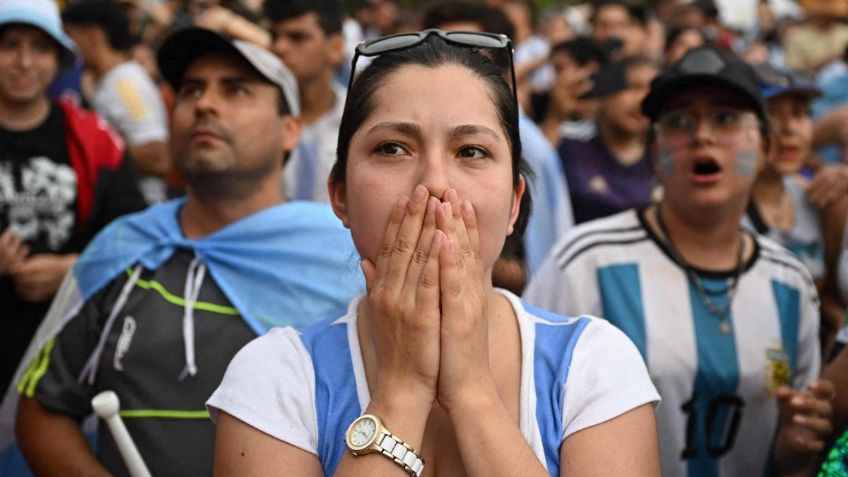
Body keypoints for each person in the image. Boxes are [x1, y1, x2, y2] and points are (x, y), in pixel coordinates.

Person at [209, 30, 661, 476]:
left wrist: (472, 392)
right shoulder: (276, 375)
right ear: (340, 195)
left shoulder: (593, 365)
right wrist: (401, 389)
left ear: (514, 203)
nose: (435, 183)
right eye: (392, 148)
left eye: (472, 151)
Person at [12, 27, 363, 476]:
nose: (204, 104)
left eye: (235, 90)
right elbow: (42, 412)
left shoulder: (348, 256)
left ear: (289, 129)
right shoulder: (122, 251)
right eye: (191, 90)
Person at [524, 46, 834, 476]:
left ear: (764, 145)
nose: (702, 136)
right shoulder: (585, 264)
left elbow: (788, 445)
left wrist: (795, 449)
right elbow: (529, 416)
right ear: (654, 151)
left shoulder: (791, 284)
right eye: (679, 122)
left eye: (726, 118)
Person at [0, 0, 145, 409]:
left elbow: (134, 238)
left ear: (59, 59)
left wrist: (73, 270)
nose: (25, 62)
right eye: (10, 45)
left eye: (40, 48)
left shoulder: (97, 140)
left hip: (66, 361)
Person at [748, 64, 848, 356]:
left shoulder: (820, 199)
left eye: (800, 114)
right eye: (771, 114)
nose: (789, 128)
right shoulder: (716, 210)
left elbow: (832, 301)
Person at [62, 0, 171, 204]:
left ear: (92, 36)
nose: (64, 45)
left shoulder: (126, 85)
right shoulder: (111, 82)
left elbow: (157, 157)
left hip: (140, 208)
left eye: (69, 34)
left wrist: (92, 147)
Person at [558, 56, 659, 224]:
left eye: (651, 92)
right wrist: (554, 117)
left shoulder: (664, 162)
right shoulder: (571, 149)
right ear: (606, 91)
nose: (641, 99)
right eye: (632, 87)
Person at [265, 0, 346, 203]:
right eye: (274, 36)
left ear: (335, 47)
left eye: (297, 37)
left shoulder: (362, 120)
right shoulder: (256, 120)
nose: (279, 47)